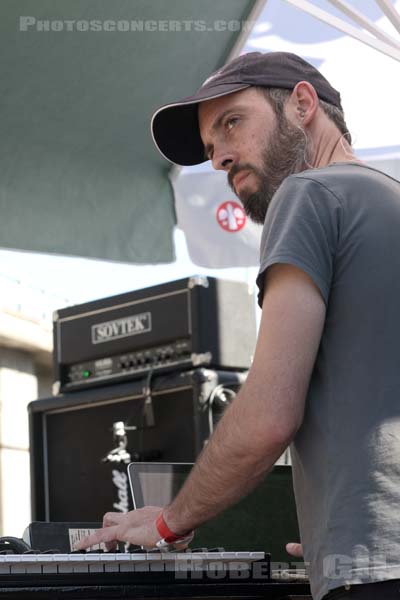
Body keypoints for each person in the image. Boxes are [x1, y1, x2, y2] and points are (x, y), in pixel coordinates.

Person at [78, 52, 400, 600]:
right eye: (209, 150)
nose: (221, 157)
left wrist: (166, 524)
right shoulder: (385, 201)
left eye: (232, 122)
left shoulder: (310, 195)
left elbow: (269, 417)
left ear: (302, 105)